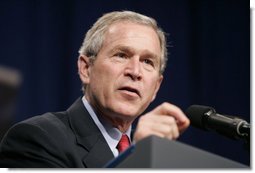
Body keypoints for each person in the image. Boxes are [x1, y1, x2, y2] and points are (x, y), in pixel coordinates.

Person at [0, 11, 190, 168]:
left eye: (147, 61)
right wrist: (138, 159)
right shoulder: (36, 139)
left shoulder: (162, 161)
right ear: (86, 68)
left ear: (156, 86)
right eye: (121, 55)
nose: (135, 72)